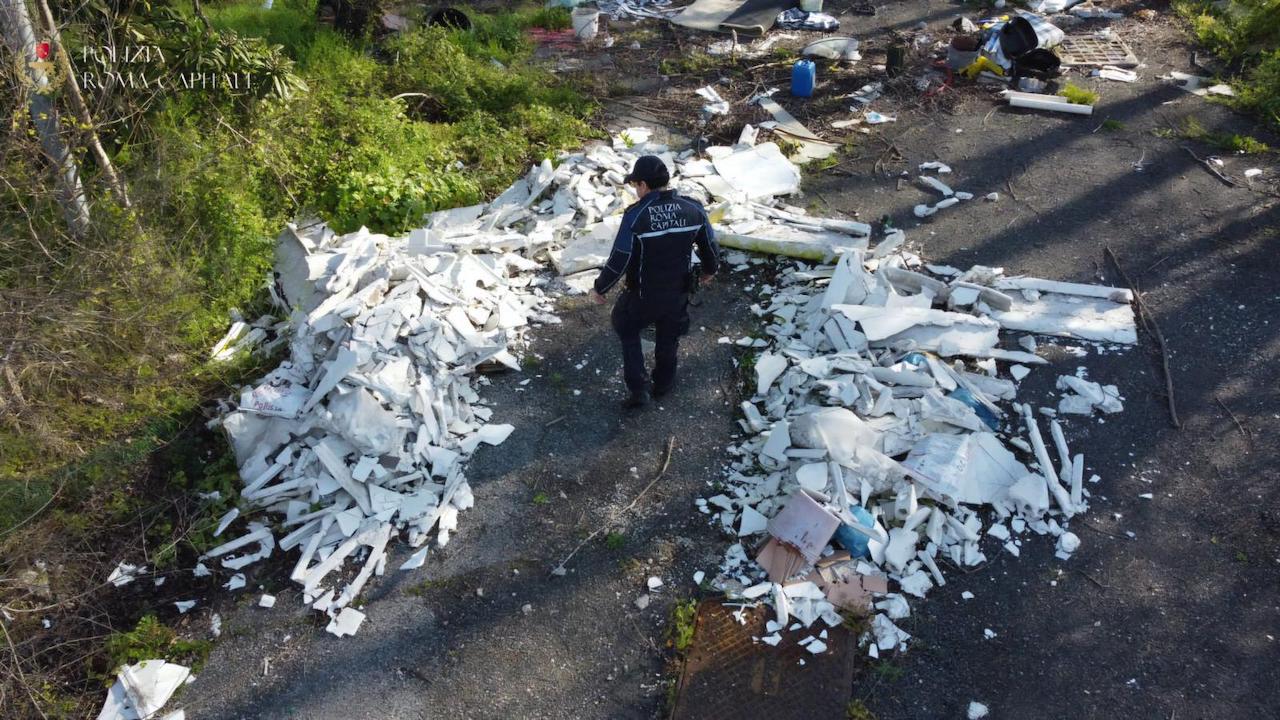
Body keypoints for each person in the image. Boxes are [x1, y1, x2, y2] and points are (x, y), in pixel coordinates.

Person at [590, 155, 720, 409]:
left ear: (643, 185)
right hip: (679, 289)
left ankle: (638, 388)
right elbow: (709, 244)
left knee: (625, 324)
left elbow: (621, 257)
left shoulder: (636, 215)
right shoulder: (693, 208)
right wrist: (710, 269)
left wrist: (601, 287)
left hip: (644, 293)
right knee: (668, 335)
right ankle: (663, 383)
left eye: (635, 185)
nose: (635, 191)